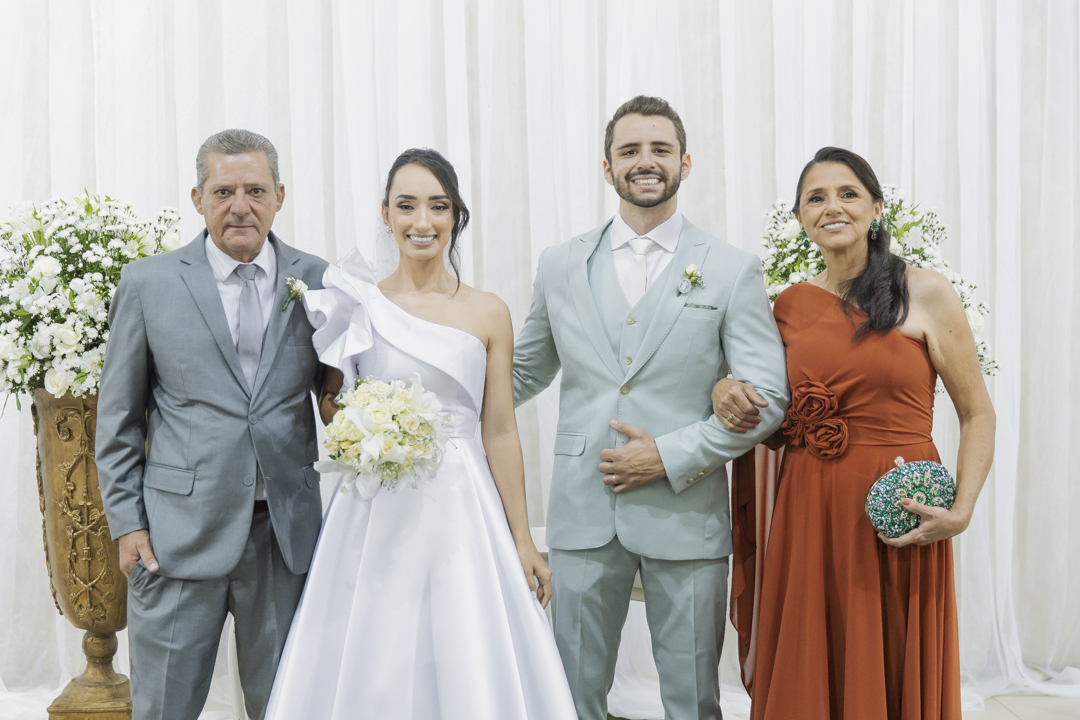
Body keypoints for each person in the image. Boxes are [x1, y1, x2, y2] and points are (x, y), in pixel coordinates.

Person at [264, 148, 577, 719]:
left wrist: (523, 540)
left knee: (465, 639)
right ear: (386, 214)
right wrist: (360, 428)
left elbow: (500, 431)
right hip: (375, 504)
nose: (422, 222)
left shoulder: (488, 312)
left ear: (456, 215)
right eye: (406, 206)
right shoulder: (354, 301)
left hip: (464, 504)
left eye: (438, 206)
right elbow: (333, 404)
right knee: (375, 641)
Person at [512, 95, 790, 720]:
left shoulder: (731, 269)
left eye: (660, 149)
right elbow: (525, 371)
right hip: (582, 509)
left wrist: (665, 456)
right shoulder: (559, 265)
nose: (646, 162)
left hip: (686, 515)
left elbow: (768, 398)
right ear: (606, 168)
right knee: (570, 696)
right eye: (629, 150)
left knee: (692, 699)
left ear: (685, 163)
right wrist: (430, 386)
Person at [714, 147, 996, 720]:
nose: (832, 206)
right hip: (809, 508)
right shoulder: (787, 305)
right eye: (815, 198)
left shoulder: (926, 291)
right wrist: (723, 389)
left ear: (876, 208)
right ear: (799, 218)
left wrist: (962, 509)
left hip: (897, 507)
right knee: (813, 656)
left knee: (889, 652)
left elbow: (978, 414)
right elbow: (764, 406)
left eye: (847, 194)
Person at [96, 129, 330, 720]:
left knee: (284, 707)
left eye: (255, 190)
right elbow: (118, 417)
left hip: (284, 536)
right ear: (198, 199)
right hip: (175, 537)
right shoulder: (148, 283)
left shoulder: (320, 280)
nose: (240, 206)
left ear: (280, 195)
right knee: (163, 707)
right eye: (223, 191)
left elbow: (338, 396)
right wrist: (128, 524)